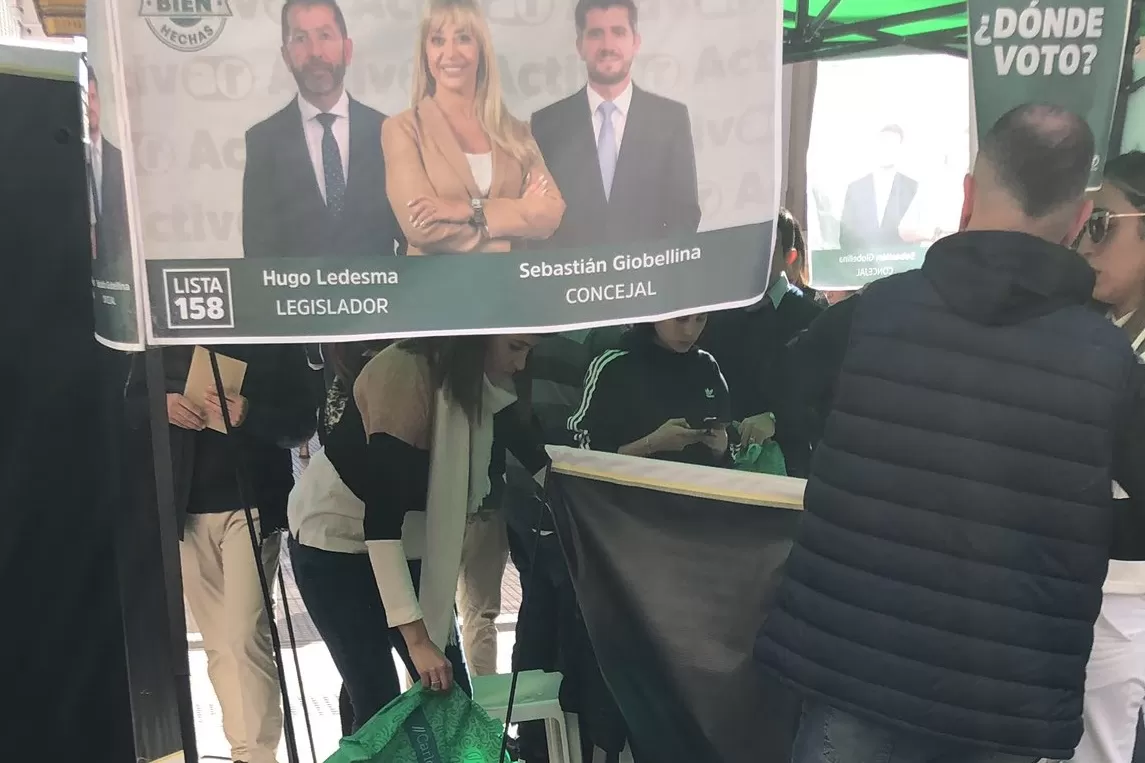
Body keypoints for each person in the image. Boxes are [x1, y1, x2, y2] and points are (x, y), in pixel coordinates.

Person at [755, 103, 1145, 763]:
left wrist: (842, 479)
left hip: (857, 666)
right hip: (1004, 696)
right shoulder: (1105, 362)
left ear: (966, 194)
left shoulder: (872, 314)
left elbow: (786, 394)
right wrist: (1061, 524)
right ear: (1078, 221)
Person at [286, 336, 547, 731]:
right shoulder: (405, 376)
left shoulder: (487, 386)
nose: (521, 364)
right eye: (514, 348)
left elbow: (543, 463)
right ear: (477, 338)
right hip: (335, 540)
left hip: (410, 541)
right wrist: (419, 641)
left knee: (452, 696)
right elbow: (381, 521)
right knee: (377, 701)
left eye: (528, 350)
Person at [124, 346, 317, 763]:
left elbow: (302, 423)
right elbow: (129, 401)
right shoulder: (161, 335)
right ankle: (242, 750)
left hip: (251, 504)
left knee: (246, 634)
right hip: (185, 508)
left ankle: (260, 755)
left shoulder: (266, 333)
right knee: (218, 644)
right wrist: (162, 407)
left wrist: (249, 414)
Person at [381, 0, 564, 255]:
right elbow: (420, 227)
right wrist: (506, 236)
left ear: (481, 48)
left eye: (463, 38)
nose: (451, 53)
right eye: (437, 40)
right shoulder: (402, 129)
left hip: (508, 290)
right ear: (425, 52)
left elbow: (551, 211)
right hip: (436, 291)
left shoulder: (516, 132)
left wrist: (470, 209)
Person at [1070, 151, 1145, 763]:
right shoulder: (1091, 327)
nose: (1086, 242)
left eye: (1103, 223)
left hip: (1126, 595)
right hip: (1075, 588)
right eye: (1084, 223)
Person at [531, 0, 700, 250]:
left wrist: (656, 273)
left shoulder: (671, 119)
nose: (608, 46)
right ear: (580, 46)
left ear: (636, 42)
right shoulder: (546, 125)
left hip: (648, 281)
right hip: (571, 282)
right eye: (596, 34)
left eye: (618, 32)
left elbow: (685, 216)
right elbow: (538, 223)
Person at [242, 0, 404, 260]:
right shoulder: (263, 142)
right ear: (286, 56)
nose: (315, 52)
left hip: (380, 299)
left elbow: (410, 241)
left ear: (347, 50)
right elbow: (258, 256)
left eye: (325, 36)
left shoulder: (388, 131)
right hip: (298, 299)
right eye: (300, 38)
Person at [699, 209, 823, 477]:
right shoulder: (713, 316)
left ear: (788, 256)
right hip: (721, 466)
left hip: (791, 470)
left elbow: (826, 397)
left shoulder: (813, 318)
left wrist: (777, 419)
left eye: (766, 247)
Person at [568, 315, 729, 467]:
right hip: (627, 493)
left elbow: (731, 447)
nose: (690, 331)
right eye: (680, 319)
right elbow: (578, 452)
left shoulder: (707, 366)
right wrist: (650, 445)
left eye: (700, 319)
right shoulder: (613, 366)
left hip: (697, 491)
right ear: (655, 313)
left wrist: (721, 448)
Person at [839, 124, 918, 252]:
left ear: (900, 149)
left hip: (903, 264)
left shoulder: (913, 187)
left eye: (892, 144)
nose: (886, 148)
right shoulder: (856, 187)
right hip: (859, 265)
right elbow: (845, 236)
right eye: (883, 143)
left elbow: (916, 234)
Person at [85, 60, 128, 262]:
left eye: (92, 98)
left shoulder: (121, 159)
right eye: (85, 99)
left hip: (118, 265)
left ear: (100, 102)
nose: (89, 107)